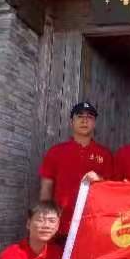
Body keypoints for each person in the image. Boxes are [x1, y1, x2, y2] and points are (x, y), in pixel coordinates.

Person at [39, 101, 112, 242]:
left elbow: (111, 189)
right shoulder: (56, 152)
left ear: (94, 123)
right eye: (80, 116)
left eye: (89, 117)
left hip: (93, 226)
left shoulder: (105, 154)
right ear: (72, 121)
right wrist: (45, 218)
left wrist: (100, 179)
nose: (85, 120)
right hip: (61, 226)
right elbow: (46, 188)